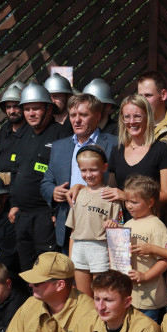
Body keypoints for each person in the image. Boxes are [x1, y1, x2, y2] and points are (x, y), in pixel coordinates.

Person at [41, 93, 118, 249]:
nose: (77, 120)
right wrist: (53, 191)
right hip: (69, 224)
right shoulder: (59, 147)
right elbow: (46, 182)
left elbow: (125, 182)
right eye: (73, 115)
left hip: (103, 225)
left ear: (98, 115)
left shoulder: (115, 144)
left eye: (83, 114)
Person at [8, 82, 63, 270]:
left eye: (36, 108)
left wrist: (58, 212)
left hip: (46, 218)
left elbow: (66, 178)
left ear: (49, 108)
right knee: (27, 270)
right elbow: (15, 172)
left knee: (48, 272)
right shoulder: (22, 135)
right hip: (22, 217)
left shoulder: (61, 135)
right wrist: (14, 203)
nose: (31, 113)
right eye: (27, 109)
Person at [66, 146, 122, 296]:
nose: (88, 175)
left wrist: (114, 225)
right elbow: (73, 231)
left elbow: (120, 227)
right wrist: (71, 260)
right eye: (84, 170)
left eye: (93, 170)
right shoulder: (77, 194)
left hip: (100, 249)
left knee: (101, 294)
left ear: (104, 167)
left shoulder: (111, 195)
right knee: (83, 297)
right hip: (79, 250)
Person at [106, 94, 167, 210]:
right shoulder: (116, 150)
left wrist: (127, 196)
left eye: (137, 116)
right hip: (119, 223)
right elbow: (110, 190)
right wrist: (80, 188)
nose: (131, 121)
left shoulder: (161, 150)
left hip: (148, 222)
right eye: (126, 117)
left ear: (147, 117)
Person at [120, 175, 167, 323]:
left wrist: (145, 276)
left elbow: (166, 259)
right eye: (127, 201)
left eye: (134, 202)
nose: (129, 206)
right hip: (130, 295)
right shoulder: (128, 223)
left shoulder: (156, 226)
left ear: (150, 202)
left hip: (150, 297)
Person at [0, 81, 25, 187]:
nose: (12, 111)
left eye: (16, 106)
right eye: (8, 107)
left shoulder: (32, 131)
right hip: (1, 188)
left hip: (19, 187)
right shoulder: (4, 130)